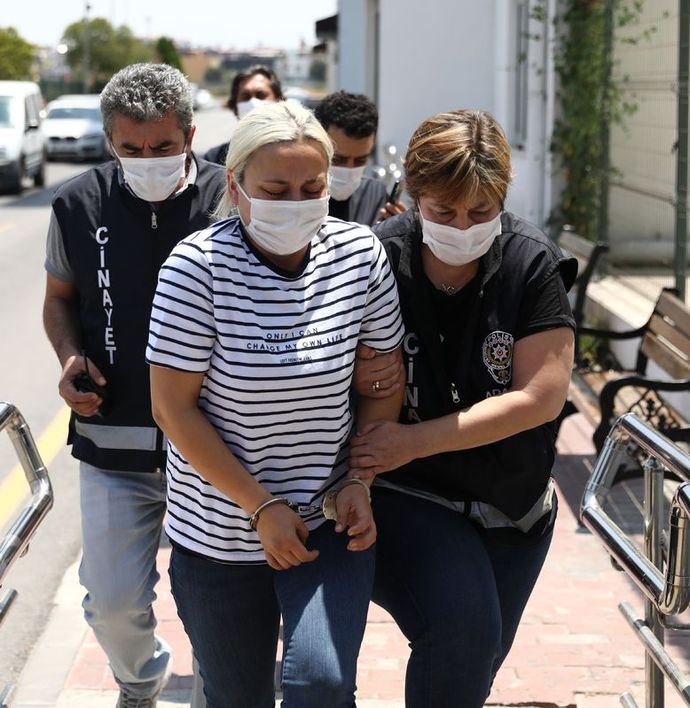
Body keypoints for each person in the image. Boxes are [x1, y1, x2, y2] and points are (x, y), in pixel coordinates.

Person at [146, 101, 404, 708]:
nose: (296, 203)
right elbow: (173, 410)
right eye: (276, 190)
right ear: (236, 187)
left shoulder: (360, 254)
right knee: (238, 696)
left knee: (322, 683)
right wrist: (260, 507)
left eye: (312, 188)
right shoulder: (196, 269)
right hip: (220, 533)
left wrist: (360, 480)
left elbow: (383, 383)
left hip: (328, 518)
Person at [350, 109, 577, 708]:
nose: (462, 227)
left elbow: (541, 396)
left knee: (470, 667)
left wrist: (413, 439)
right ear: (412, 195)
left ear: (503, 197)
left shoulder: (531, 262)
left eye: (481, 212)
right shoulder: (377, 258)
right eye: (443, 211)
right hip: (413, 495)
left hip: (513, 509)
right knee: (464, 632)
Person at [42, 63, 226, 708]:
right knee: (113, 602)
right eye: (132, 149)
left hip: (218, 442)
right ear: (109, 142)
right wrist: (70, 357)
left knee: (221, 603)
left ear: (190, 136)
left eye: (163, 147)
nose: (148, 160)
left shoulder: (232, 197)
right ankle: (140, 684)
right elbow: (59, 299)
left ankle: (222, 693)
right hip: (113, 438)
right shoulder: (75, 203)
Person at [314, 90, 405, 226]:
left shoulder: (375, 195)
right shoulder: (297, 196)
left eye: (360, 161)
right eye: (338, 159)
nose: (349, 169)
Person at [202, 64, 283, 166]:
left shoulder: (293, 153)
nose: (253, 102)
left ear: (279, 101)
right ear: (235, 108)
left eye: (260, 95)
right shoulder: (214, 158)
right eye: (246, 96)